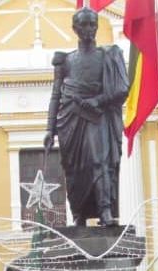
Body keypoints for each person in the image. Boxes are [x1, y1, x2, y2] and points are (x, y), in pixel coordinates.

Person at [43, 6, 129, 228]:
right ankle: (78, 214)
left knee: (100, 161)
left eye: (93, 24)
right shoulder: (66, 61)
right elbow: (56, 95)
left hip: (96, 116)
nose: (89, 29)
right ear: (75, 28)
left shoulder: (107, 56)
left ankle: (105, 210)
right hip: (69, 119)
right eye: (84, 24)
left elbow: (122, 89)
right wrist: (49, 129)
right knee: (73, 167)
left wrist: (97, 101)